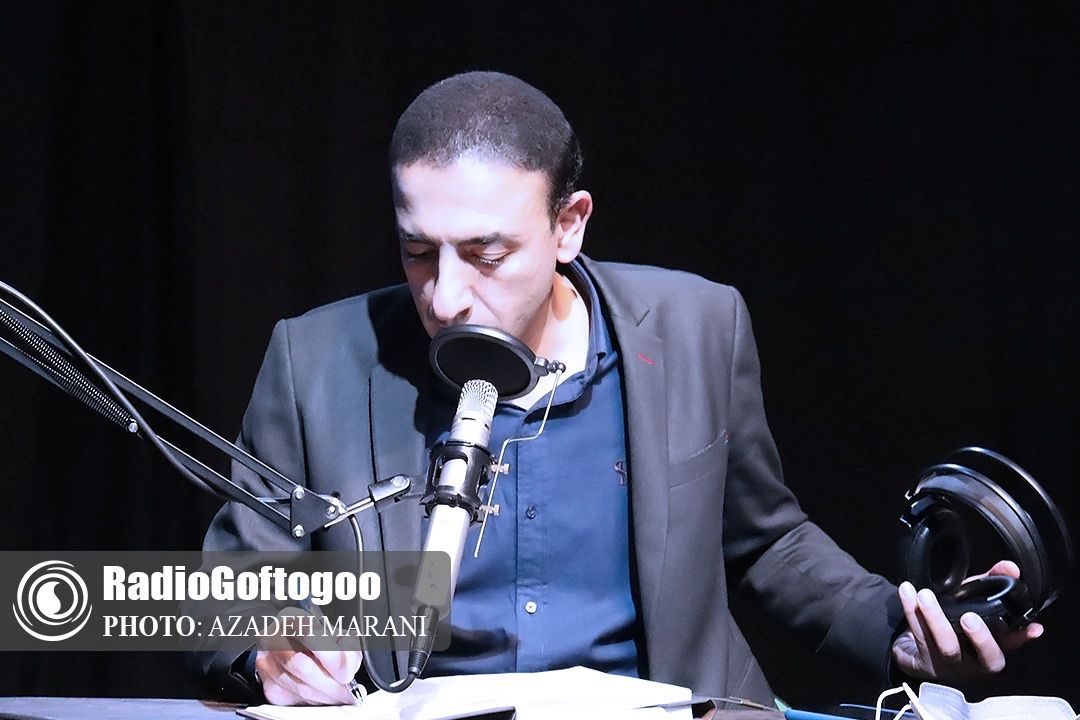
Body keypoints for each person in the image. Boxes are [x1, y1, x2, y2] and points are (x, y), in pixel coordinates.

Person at [193, 71, 1042, 709]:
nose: (445, 297)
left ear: (569, 225)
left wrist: (904, 632)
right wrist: (269, 649)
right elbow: (220, 595)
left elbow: (767, 544)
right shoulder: (317, 358)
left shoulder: (697, 326)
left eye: (486, 254)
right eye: (419, 252)